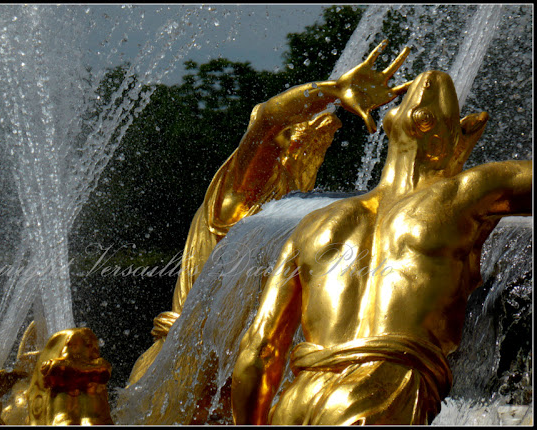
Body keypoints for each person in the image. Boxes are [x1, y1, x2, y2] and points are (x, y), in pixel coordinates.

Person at [231, 68, 532, 425]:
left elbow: (258, 349)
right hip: (376, 396)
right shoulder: (466, 193)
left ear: (390, 126)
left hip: (299, 398)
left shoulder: (315, 223)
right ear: (452, 140)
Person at [127, 40, 412, 386]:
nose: (316, 155)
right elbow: (265, 118)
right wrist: (331, 91)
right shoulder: (242, 198)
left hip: (234, 376)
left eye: (321, 149)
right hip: (181, 374)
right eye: (310, 144)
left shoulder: (292, 212)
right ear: (285, 145)